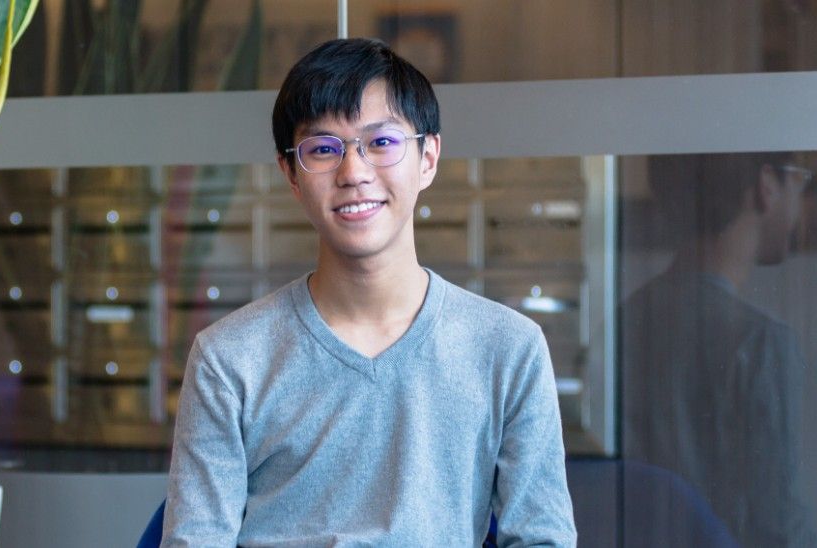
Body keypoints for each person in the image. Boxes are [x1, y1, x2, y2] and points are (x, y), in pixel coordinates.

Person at [162, 38, 577, 546]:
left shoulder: (508, 348)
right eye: (322, 149)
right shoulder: (229, 358)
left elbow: (542, 538)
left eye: (381, 143)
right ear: (290, 174)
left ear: (428, 157)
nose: (354, 173)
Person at [622, 153, 816, 546]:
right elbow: (778, 526)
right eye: (799, 179)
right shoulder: (760, 345)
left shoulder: (622, 322)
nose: (801, 200)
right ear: (766, 186)